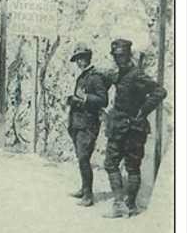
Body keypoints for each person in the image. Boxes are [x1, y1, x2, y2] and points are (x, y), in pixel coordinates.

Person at [103, 38, 167, 218]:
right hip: (118, 127)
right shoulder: (120, 74)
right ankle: (119, 204)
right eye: (116, 56)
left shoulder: (137, 74)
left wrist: (143, 110)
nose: (118, 59)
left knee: (132, 167)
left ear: (128, 55)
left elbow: (160, 91)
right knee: (110, 163)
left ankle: (129, 205)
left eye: (121, 56)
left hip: (134, 128)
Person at [66, 43, 108, 207]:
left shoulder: (95, 77)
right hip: (77, 122)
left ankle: (88, 196)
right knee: (81, 157)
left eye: (80, 58)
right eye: (77, 59)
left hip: (88, 124)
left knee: (84, 157)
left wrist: (84, 99)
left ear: (87, 58)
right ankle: (84, 189)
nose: (78, 62)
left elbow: (103, 100)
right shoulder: (83, 76)